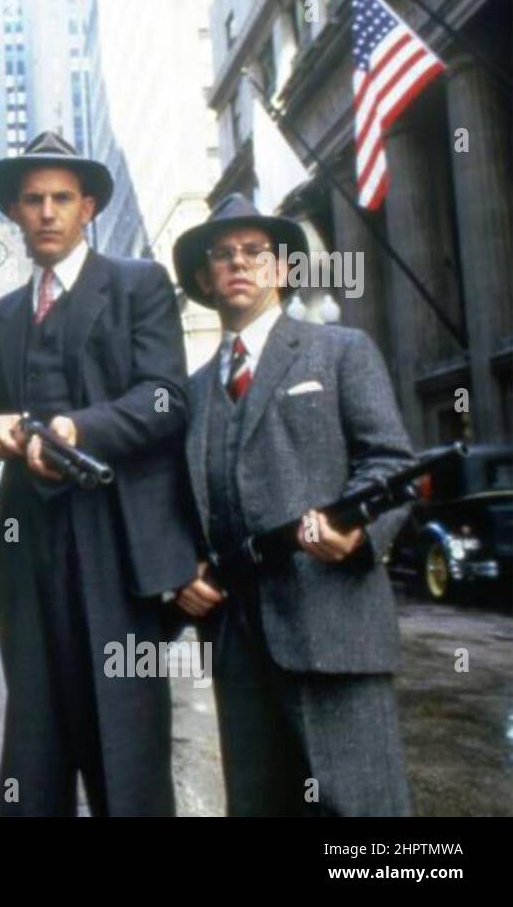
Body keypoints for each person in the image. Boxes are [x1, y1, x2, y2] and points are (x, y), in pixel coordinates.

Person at [0, 132, 198, 816]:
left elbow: (167, 398)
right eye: (33, 200)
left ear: (87, 206)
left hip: (120, 550)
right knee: (34, 748)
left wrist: (80, 429)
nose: (47, 211)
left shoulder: (139, 284)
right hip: (29, 557)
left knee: (128, 747)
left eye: (62, 198)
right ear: (16, 214)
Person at [169, 193, 414, 816]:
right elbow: (183, 505)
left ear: (282, 269)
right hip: (237, 639)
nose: (238, 263)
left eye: (255, 252)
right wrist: (185, 570)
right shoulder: (193, 393)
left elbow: (391, 465)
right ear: (204, 278)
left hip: (332, 624)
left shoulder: (340, 352)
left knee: (363, 822)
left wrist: (359, 535)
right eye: (222, 255)